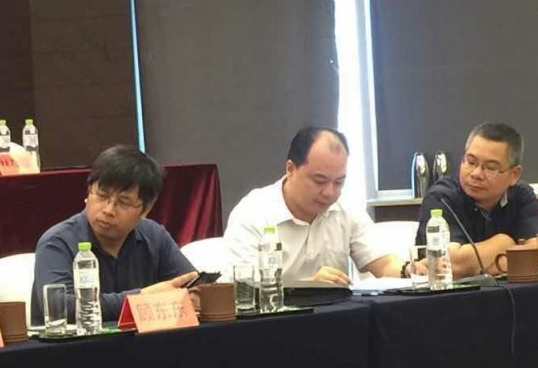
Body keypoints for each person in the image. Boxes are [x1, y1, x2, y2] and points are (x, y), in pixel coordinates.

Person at [31, 145, 196, 325]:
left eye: (123, 203)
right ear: (89, 192)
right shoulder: (57, 242)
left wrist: (197, 295)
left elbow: (191, 285)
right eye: (102, 196)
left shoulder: (154, 236)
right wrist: (142, 298)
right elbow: (60, 305)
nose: (108, 210)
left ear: (146, 209)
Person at [221, 127, 403, 284]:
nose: (330, 192)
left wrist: (409, 269)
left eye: (339, 182)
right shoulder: (252, 213)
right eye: (319, 181)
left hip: (338, 313)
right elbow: (243, 289)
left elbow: (384, 264)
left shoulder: (346, 207)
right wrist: (309, 288)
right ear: (290, 169)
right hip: (273, 314)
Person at [416, 122, 538, 277]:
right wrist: (503, 242)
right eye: (470, 162)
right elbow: (448, 263)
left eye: (490, 167)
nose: (476, 174)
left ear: (514, 175)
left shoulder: (521, 195)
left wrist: (479, 268)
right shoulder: (441, 197)